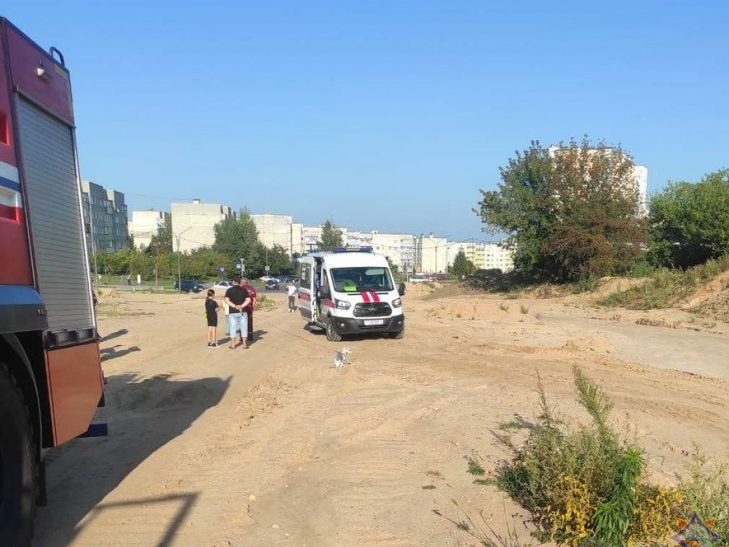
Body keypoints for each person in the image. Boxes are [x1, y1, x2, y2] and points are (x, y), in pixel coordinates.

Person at [225, 275, 251, 349]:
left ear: (233, 282)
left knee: (232, 328)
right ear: (240, 282)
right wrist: (241, 306)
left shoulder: (229, 290)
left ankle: (233, 345)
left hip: (232, 312)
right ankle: (244, 344)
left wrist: (234, 306)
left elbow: (226, 300)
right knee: (244, 328)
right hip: (243, 311)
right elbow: (248, 300)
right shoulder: (244, 290)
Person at [241, 277, 257, 342]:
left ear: (242, 282)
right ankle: (250, 337)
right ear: (247, 282)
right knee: (250, 321)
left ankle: (242, 338)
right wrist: (253, 307)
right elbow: (254, 299)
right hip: (249, 307)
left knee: (242, 322)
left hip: (242, 308)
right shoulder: (252, 288)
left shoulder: (240, 288)